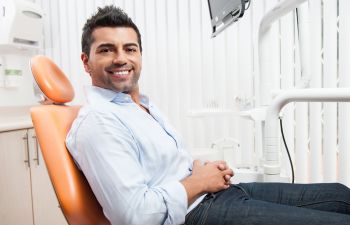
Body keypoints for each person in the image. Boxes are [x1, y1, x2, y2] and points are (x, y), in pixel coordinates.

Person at [66, 5, 350, 225]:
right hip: (193, 215)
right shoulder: (98, 123)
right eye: (106, 50)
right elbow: (135, 216)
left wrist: (201, 169)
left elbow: (160, 168)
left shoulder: (140, 105)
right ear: (86, 62)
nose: (121, 58)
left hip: (211, 195)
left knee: (340, 195)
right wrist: (198, 182)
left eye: (130, 49)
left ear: (139, 55)